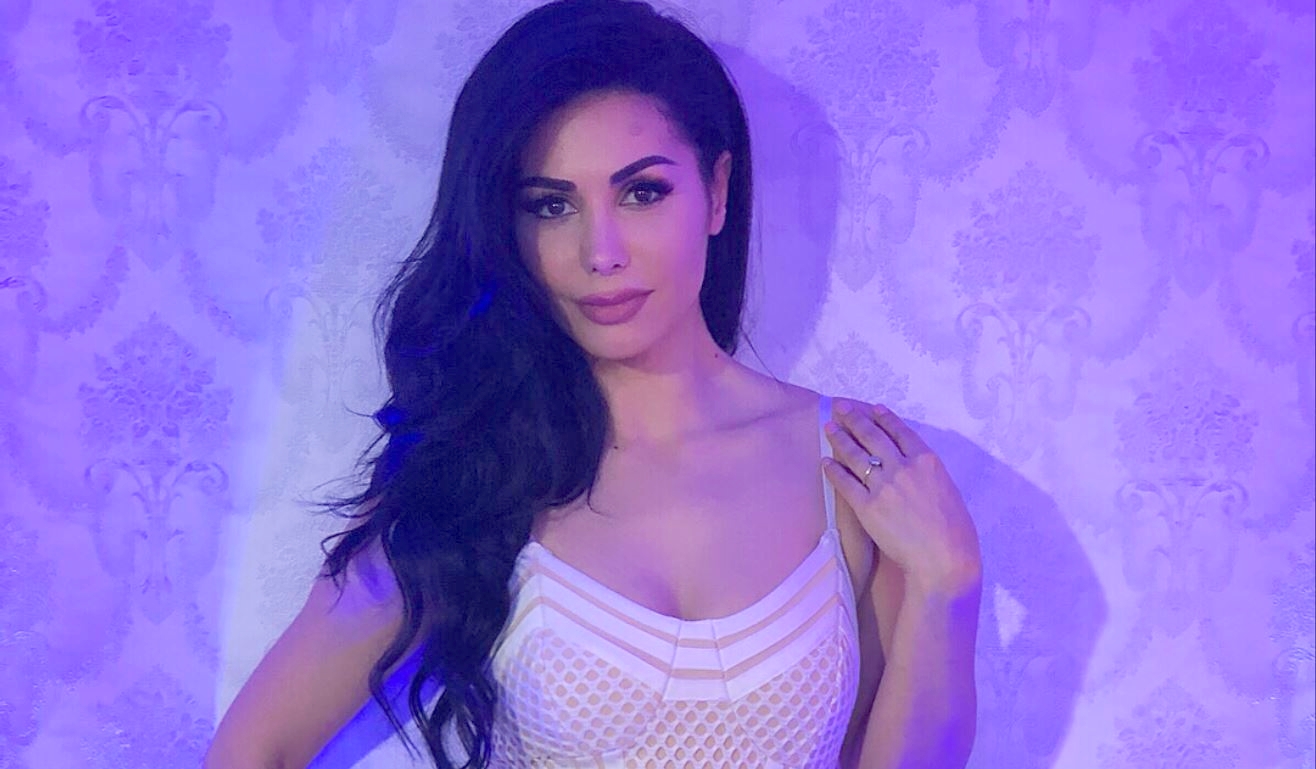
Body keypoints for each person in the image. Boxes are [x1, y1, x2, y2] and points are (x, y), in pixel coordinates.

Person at [204, 1, 982, 767]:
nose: (599, 252)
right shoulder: (471, 467)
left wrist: (948, 584)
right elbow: (253, 749)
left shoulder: (850, 463)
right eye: (551, 205)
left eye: (642, 192)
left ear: (716, 192)